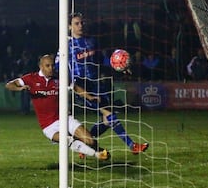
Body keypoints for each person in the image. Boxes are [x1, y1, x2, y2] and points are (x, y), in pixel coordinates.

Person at [56, 12, 149, 155]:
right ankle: (132, 145)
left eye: (82, 23)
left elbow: (102, 60)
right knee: (109, 114)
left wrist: (119, 66)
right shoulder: (66, 47)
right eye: (76, 23)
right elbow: (57, 68)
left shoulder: (92, 41)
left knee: (107, 120)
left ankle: (85, 144)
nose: (81, 25)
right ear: (69, 26)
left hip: (97, 84)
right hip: (82, 87)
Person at [5, 54, 109, 160]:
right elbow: (9, 84)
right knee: (67, 140)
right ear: (41, 66)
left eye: (52, 65)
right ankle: (97, 154)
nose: (51, 68)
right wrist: (20, 88)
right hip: (48, 126)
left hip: (65, 118)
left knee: (89, 140)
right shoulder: (31, 78)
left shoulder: (59, 78)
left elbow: (75, 87)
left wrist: (89, 97)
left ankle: (88, 148)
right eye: (47, 66)